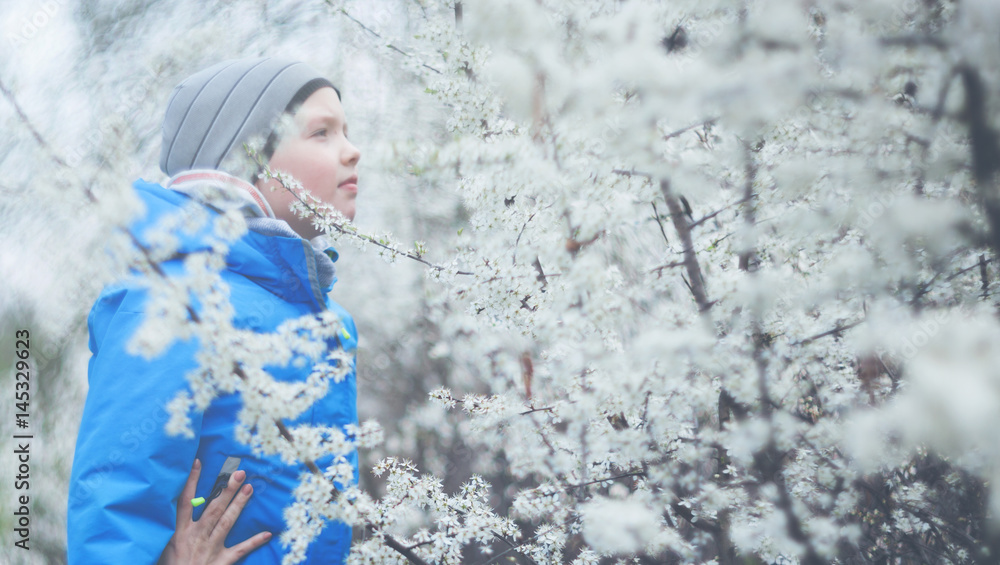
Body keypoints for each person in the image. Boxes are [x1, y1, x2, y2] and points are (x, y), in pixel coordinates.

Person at [67, 57, 362, 564]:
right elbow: (113, 498)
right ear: (245, 159)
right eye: (321, 133)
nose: (352, 151)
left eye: (346, 132)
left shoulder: (329, 321)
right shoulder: (176, 300)